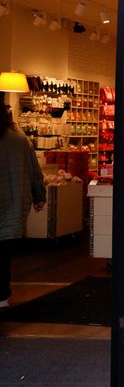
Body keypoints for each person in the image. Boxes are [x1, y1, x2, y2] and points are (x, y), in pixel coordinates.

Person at [0, 100, 46, 309]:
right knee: (3, 255)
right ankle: (2, 296)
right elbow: (34, 170)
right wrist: (39, 196)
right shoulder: (19, 139)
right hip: (12, 205)